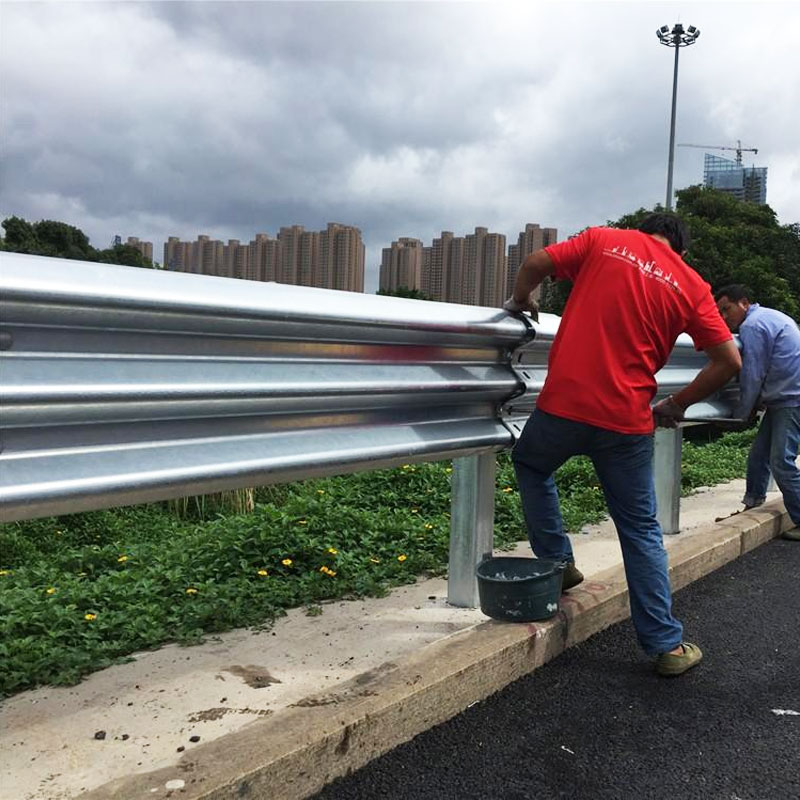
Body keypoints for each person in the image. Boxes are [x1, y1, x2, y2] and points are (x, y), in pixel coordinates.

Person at [504, 212, 741, 677]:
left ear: (644, 229)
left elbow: (535, 263)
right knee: (639, 530)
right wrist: (678, 404)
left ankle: (557, 561)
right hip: (627, 420)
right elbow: (729, 360)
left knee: (531, 465)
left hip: (563, 406)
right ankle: (666, 646)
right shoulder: (692, 284)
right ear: (681, 249)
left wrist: (520, 299)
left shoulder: (603, 240)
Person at [714, 285, 800, 541]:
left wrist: (742, 413)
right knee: (759, 456)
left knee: (781, 462)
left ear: (744, 303)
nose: (724, 317)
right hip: (784, 396)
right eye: (720, 312)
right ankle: (752, 504)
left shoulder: (752, 326)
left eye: (727, 309)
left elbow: (753, 373)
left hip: (791, 398)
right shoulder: (769, 316)